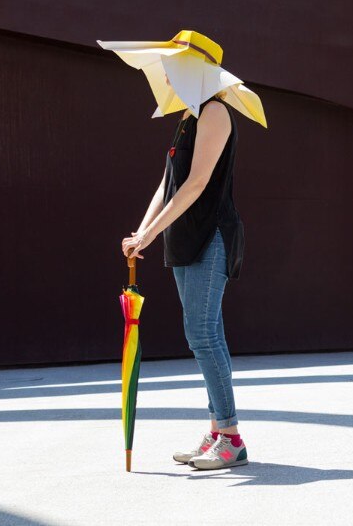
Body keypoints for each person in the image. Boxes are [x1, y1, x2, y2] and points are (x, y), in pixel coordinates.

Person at [120, 83, 248, 470]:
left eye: (180, 68)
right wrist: (142, 231)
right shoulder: (187, 117)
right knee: (205, 336)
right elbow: (168, 183)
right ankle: (217, 432)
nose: (173, 77)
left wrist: (150, 233)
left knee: (204, 335)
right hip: (184, 238)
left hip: (210, 237)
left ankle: (231, 438)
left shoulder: (215, 112)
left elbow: (196, 183)